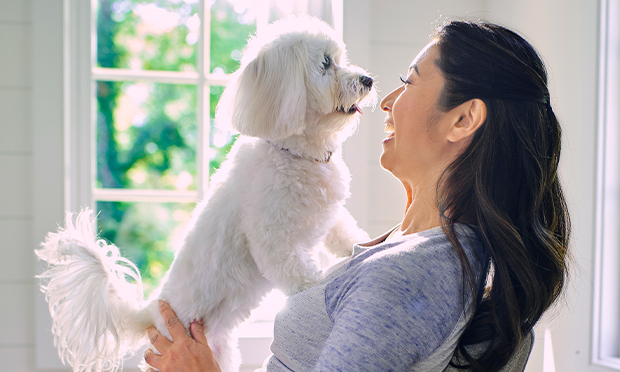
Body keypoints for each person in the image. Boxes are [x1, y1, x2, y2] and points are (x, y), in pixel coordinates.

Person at [144, 19, 571, 372]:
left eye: (409, 82)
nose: (385, 100)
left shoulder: (410, 277)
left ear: (462, 120)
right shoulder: (413, 246)